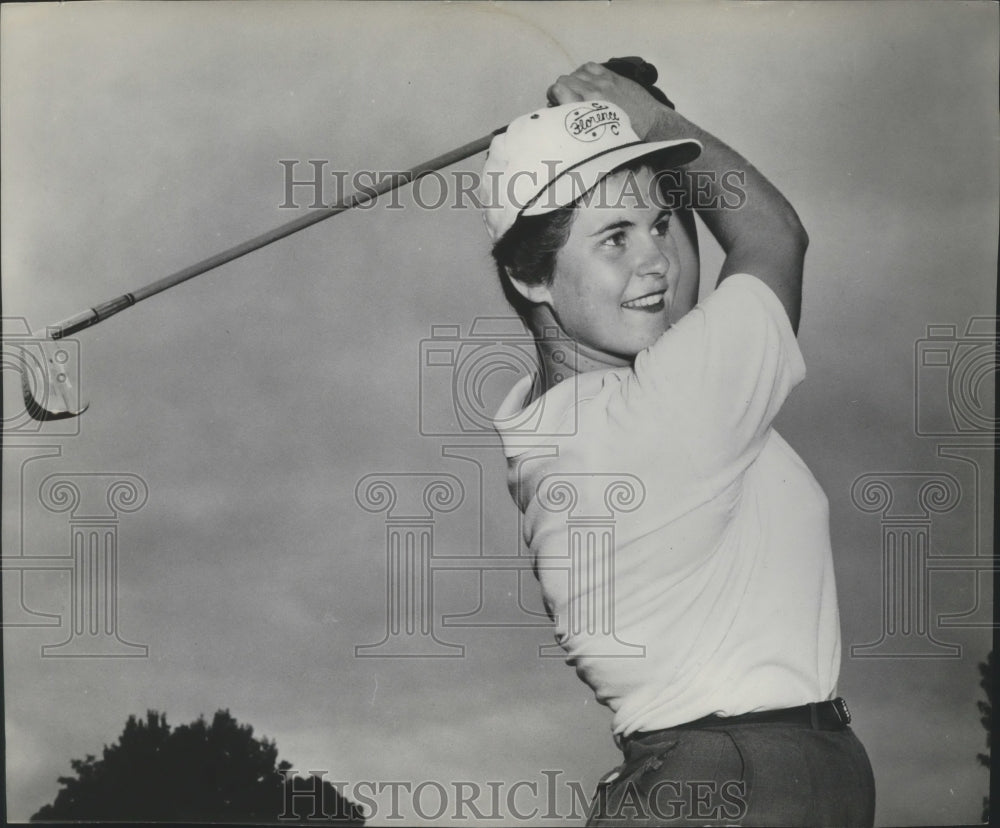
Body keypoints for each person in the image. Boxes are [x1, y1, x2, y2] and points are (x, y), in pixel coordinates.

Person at [481, 62, 876, 827]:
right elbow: (771, 236)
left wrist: (640, 136)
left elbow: (676, 299)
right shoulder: (664, 413)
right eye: (614, 239)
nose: (654, 259)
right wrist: (660, 125)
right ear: (531, 278)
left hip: (720, 778)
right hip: (740, 780)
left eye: (661, 224)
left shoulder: (563, 418)